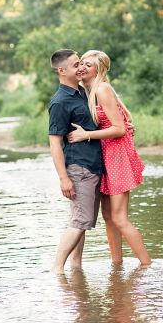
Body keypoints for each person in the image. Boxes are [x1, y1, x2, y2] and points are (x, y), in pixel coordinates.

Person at [66, 50, 152, 267]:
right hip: (103, 155)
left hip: (117, 156)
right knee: (108, 217)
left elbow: (119, 129)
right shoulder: (86, 92)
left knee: (120, 218)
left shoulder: (102, 89)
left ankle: (147, 266)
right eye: (81, 63)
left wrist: (86, 135)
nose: (83, 67)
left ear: (99, 69)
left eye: (89, 64)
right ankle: (117, 267)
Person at [48, 49, 106, 274]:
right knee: (79, 221)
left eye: (81, 63)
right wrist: (64, 178)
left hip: (92, 165)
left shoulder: (81, 92)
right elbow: (54, 144)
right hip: (78, 168)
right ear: (62, 71)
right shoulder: (60, 102)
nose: (80, 68)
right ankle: (57, 270)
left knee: (82, 222)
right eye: (75, 65)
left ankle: (76, 267)